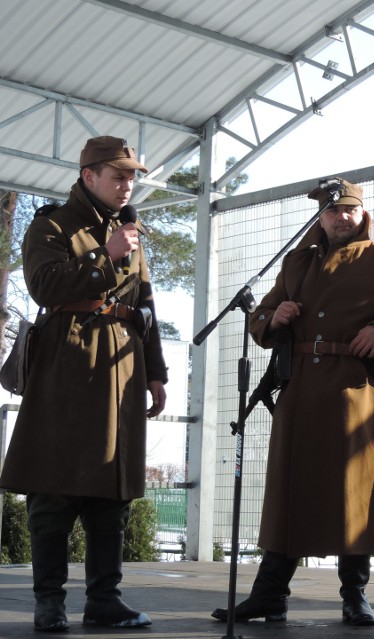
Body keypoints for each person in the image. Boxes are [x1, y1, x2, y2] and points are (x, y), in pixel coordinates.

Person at [210, 178, 374, 627]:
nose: (341, 218)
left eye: (348, 211)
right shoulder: (296, 263)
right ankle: (269, 594)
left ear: (362, 214)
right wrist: (272, 319)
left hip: (356, 398)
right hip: (299, 396)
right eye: (333, 212)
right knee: (289, 493)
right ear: (320, 217)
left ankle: (355, 596)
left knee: (351, 498)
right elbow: (261, 316)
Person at [0, 135, 169, 631]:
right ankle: (49, 602)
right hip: (65, 365)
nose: (127, 184)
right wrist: (105, 255)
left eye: (132, 176)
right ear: (89, 176)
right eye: (118, 176)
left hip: (122, 368)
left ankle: (104, 600)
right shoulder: (50, 224)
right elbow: (44, 286)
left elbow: (147, 306)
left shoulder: (129, 231)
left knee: (111, 493)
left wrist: (156, 373)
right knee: (52, 492)